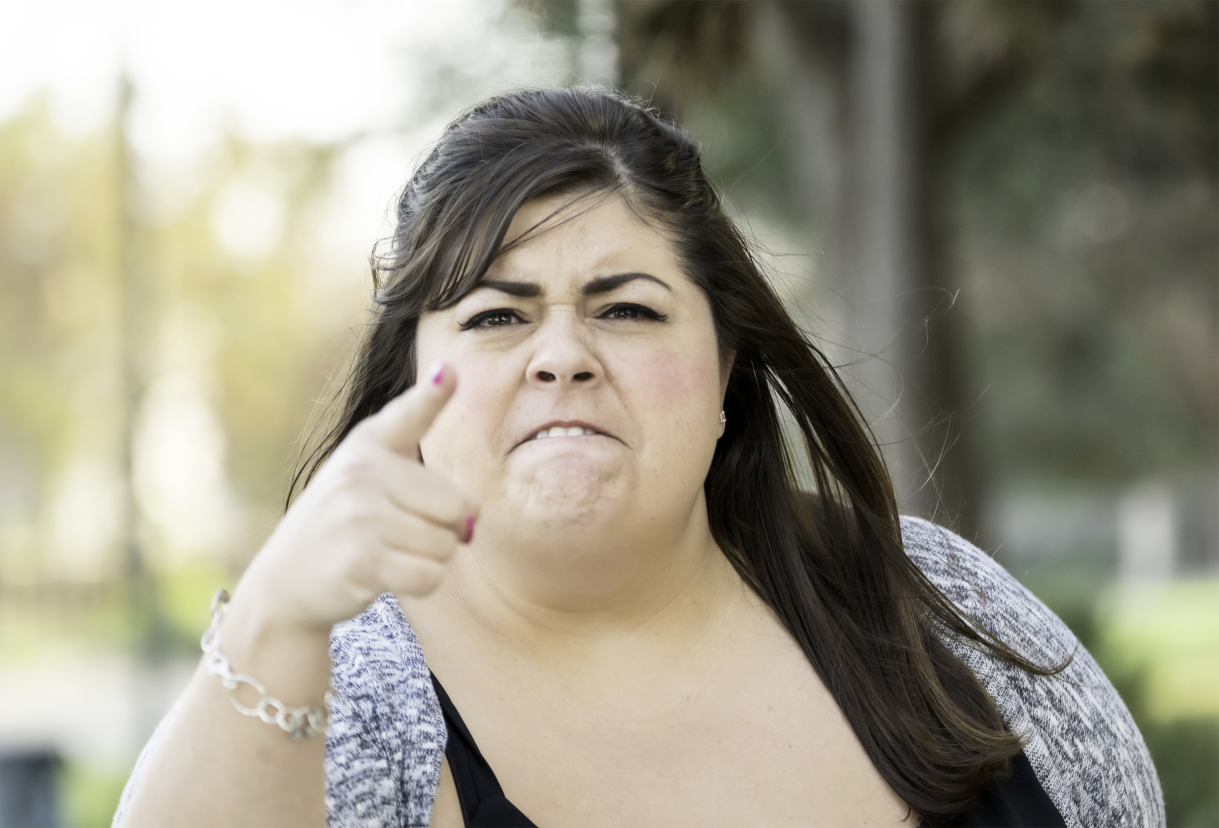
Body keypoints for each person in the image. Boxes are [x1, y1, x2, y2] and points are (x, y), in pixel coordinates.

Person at [114, 86, 1163, 828]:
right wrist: (267, 616)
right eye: (494, 317)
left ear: (724, 369)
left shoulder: (934, 602)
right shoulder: (342, 695)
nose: (562, 355)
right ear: (409, 386)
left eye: (625, 308)